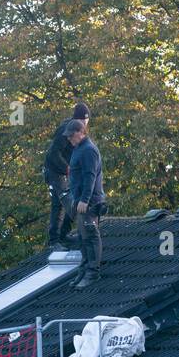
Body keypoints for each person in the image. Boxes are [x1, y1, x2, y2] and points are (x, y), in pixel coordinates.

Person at [42, 103, 92, 249]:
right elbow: (53, 154)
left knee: (73, 200)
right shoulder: (66, 130)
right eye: (84, 121)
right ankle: (54, 241)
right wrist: (67, 168)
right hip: (54, 170)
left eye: (86, 122)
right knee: (61, 203)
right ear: (79, 119)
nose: (85, 124)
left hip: (66, 171)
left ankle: (64, 235)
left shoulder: (79, 129)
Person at [67, 113, 107, 289]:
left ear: (80, 132)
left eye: (71, 135)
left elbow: (90, 176)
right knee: (83, 237)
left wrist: (84, 200)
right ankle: (84, 270)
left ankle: (93, 272)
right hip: (80, 200)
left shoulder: (89, 150)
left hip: (89, 202)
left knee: (91, 235)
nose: (69, 139)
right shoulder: (79, 149)